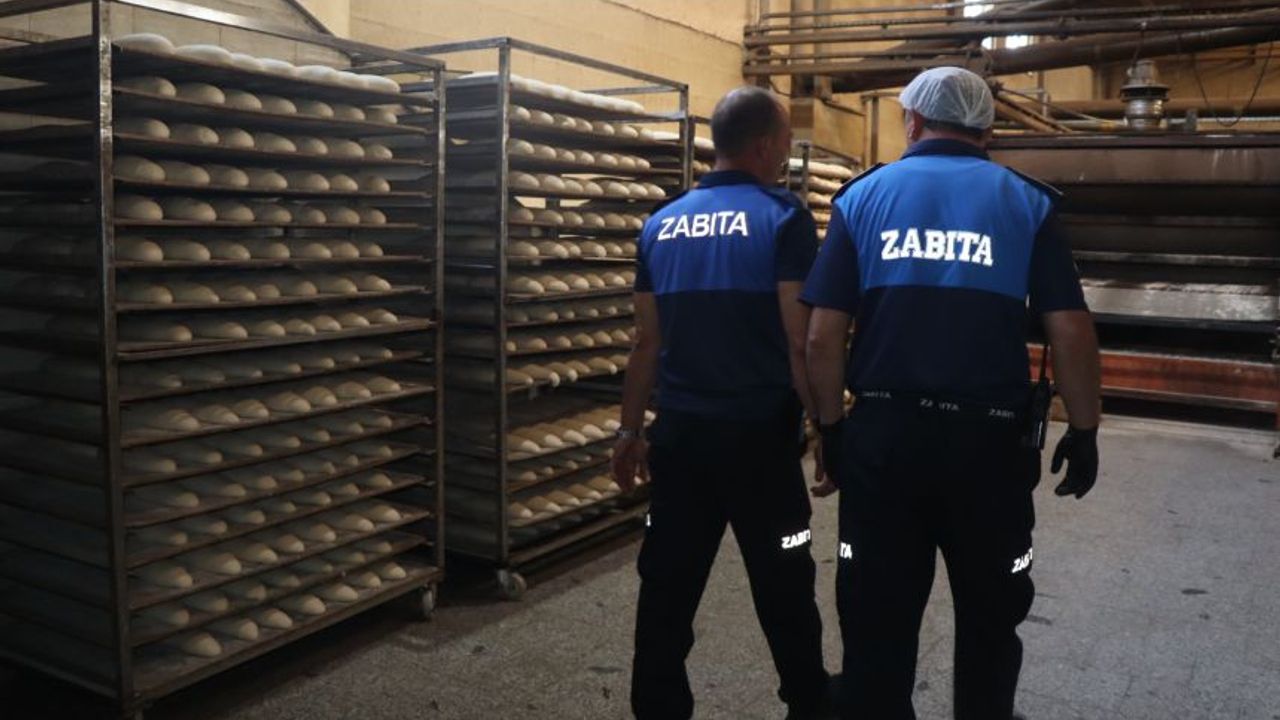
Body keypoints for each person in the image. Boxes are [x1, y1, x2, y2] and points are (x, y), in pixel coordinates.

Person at [802, 66, 1102, 720]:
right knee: (992, 615)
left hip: (886, 445)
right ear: (986, 127)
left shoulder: (861, 200)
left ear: (912, 120)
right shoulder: (1027, 204)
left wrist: (831, 429)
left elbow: (822, 338)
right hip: (989, 452)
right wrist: (1085, 430)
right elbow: (1071, 330)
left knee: (876, 617)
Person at [612, 86, 833, 720]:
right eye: (785, 143)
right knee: (785, 579)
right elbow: (800, 339)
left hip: (681, 440)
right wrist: (826, 427)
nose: (785, 154)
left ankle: (657, 707)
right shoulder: (783, 218)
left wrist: (629, 433)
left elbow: (646, 343)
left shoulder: (661, 224)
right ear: (764, 146)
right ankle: (809, 702)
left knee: (667, 586)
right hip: (759, 442)